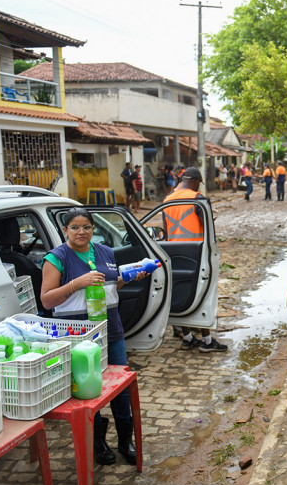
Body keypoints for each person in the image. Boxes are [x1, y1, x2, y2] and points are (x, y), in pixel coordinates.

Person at [40, 208, 147, 466]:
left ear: (93, 229)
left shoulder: (106, 252)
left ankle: (125, 441)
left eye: (86, 227)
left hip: (111, 329)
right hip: (78, 336)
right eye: (75, 227)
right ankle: (98, 443)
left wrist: (128, 277)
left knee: (120, 387)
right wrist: (77, 283)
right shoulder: (57, 258)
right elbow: (46, 299)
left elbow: (109, 284)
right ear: (65, 230)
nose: (81, 232)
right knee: (90, 388)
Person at [162, 167, 228, 352]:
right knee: (204, 294)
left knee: (182, 294)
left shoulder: (167, 200)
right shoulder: (198, 199)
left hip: (174, 253)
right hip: (197, 254)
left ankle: (188, 337)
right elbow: (209, 231)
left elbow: (166, 231)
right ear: (197, 181)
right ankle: (206, 341)